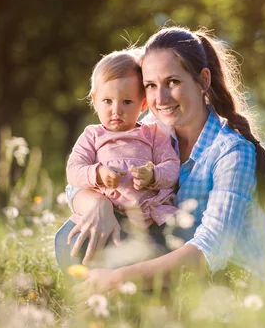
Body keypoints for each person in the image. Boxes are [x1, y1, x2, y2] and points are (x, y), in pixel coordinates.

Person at [64, 26, 265, 298]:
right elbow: (74, 186)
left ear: (203, 80)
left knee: (125, 267)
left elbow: (210, 251)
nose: (160, 98)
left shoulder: (232, 152)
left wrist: (118, 279)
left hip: (239, 286)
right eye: (150, 85)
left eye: (172, 82)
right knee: (75, 236)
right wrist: (99, 203)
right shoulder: (151, 132)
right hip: (181, 272)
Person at [54, 50, 180, 273]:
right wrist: (99, 173)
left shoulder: (153, 134)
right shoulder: (92, 135)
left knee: (152, 258)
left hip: (146, 220)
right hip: (104, 215)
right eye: (107, 101)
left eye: (127, 101)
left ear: (142, 105)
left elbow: (171, 166)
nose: (116, 110)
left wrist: (153, 176)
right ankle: (86, 297)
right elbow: (74, 170)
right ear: (94, 100)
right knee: (75, 246)